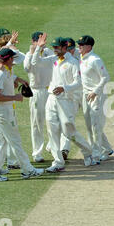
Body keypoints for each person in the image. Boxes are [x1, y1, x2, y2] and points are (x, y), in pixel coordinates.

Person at [0, 48, 44, 182]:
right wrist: (15, 97)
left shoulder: (5, 70)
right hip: (1, 111)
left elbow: (7, 75)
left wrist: (19, 79)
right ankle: (28, 170)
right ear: (8, 59)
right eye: (12, 58)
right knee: (15, 140)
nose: (14, 60)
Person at [32, 34, 93, 172]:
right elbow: (35, 62)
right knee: (52, 130)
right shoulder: (53, 59)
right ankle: (58, 162)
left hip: (66, 100)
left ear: (65, 47)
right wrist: (39, 48)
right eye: (53, 47)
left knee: (68, 130)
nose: (55, 49)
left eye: (57, 47)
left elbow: (78, 82)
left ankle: (88, 151)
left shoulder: (73, 62)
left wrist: (64, 88)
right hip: (51, 99)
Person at [77, 35, 114, 164]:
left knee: (95, 126)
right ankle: (107, 149)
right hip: (85, 94)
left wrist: (95, 91)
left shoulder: (95, 59)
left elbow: (106, 77)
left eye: (81, 45)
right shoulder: (81, 56)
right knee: (89, 126)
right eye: (79, 44)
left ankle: (96, 154)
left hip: (97, 96)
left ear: (89, 47)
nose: (79, 47)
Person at [23, 31, 54, 163]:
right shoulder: (29, 55)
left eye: (43, 41)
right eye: (38, 41)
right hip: (36, 92)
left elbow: (44, 62)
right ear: (33, 41)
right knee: (37, 123)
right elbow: (28, 67)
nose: (41, 43)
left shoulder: (49, 53)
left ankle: (52, 145)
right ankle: (37, 153)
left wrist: (39, 50)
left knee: (53, 120)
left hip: (50, 90)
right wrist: (33, 52)